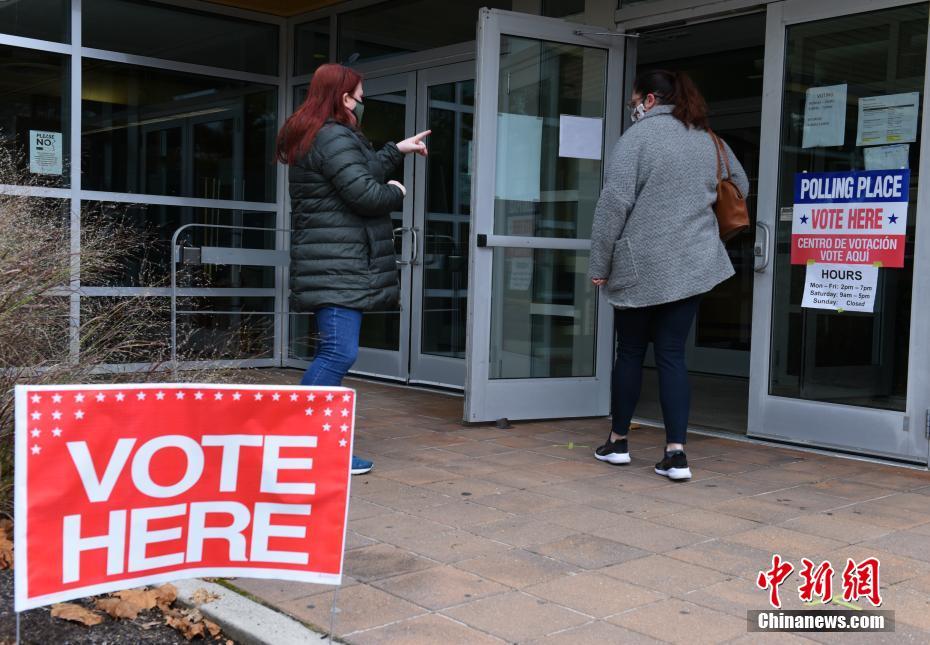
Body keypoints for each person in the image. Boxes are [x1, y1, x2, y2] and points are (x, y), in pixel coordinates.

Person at [588, 70, 749, 481]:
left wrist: (598, 265)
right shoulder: (709, 139)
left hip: (640, 265)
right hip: (692, 264)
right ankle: (676, 455)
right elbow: (740, 185)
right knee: (673, 355)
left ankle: (618, 443)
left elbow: (613, 206)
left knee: (630, 353)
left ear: (652, 99)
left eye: (634, 101)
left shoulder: (635, 140)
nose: (633, 109)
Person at [277, 63, 430, 476]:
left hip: (334, 262)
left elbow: (356, 172)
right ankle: (307, 444)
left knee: (335, 351)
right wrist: (396, 192)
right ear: (344, 98)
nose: (362, 104)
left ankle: (300, 442)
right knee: (338, 352)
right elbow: (364, 193)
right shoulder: (333, 135)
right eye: (360, 98)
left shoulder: (321, 135)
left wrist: (396, 151)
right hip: (338, 265)